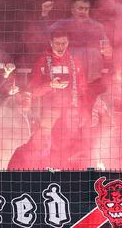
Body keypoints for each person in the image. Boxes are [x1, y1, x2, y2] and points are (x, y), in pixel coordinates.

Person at [30, 30, 87, 168]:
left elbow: (83, 90)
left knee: (70, 146)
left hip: (70, 115)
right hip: (49, 115)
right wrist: (50, 85)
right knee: (48, 147)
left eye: (63, 43)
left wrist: (84, 110)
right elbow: (33, 90)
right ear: (51, 43)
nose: (60, 47)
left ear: (68, 43)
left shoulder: (76, 62)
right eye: (57, 43)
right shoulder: (42, 61)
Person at [40, 0, 112, 103]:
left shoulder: (98, 26)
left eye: (86, 9)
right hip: (70, 77)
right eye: (80, 8)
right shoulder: (63, 24)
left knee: (91, 108)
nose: (83, 11)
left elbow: (107, 48)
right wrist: (44, 13)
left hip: (93, 78)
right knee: (70, 108)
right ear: (72, 10)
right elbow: (46, 33)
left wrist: (108, 53)